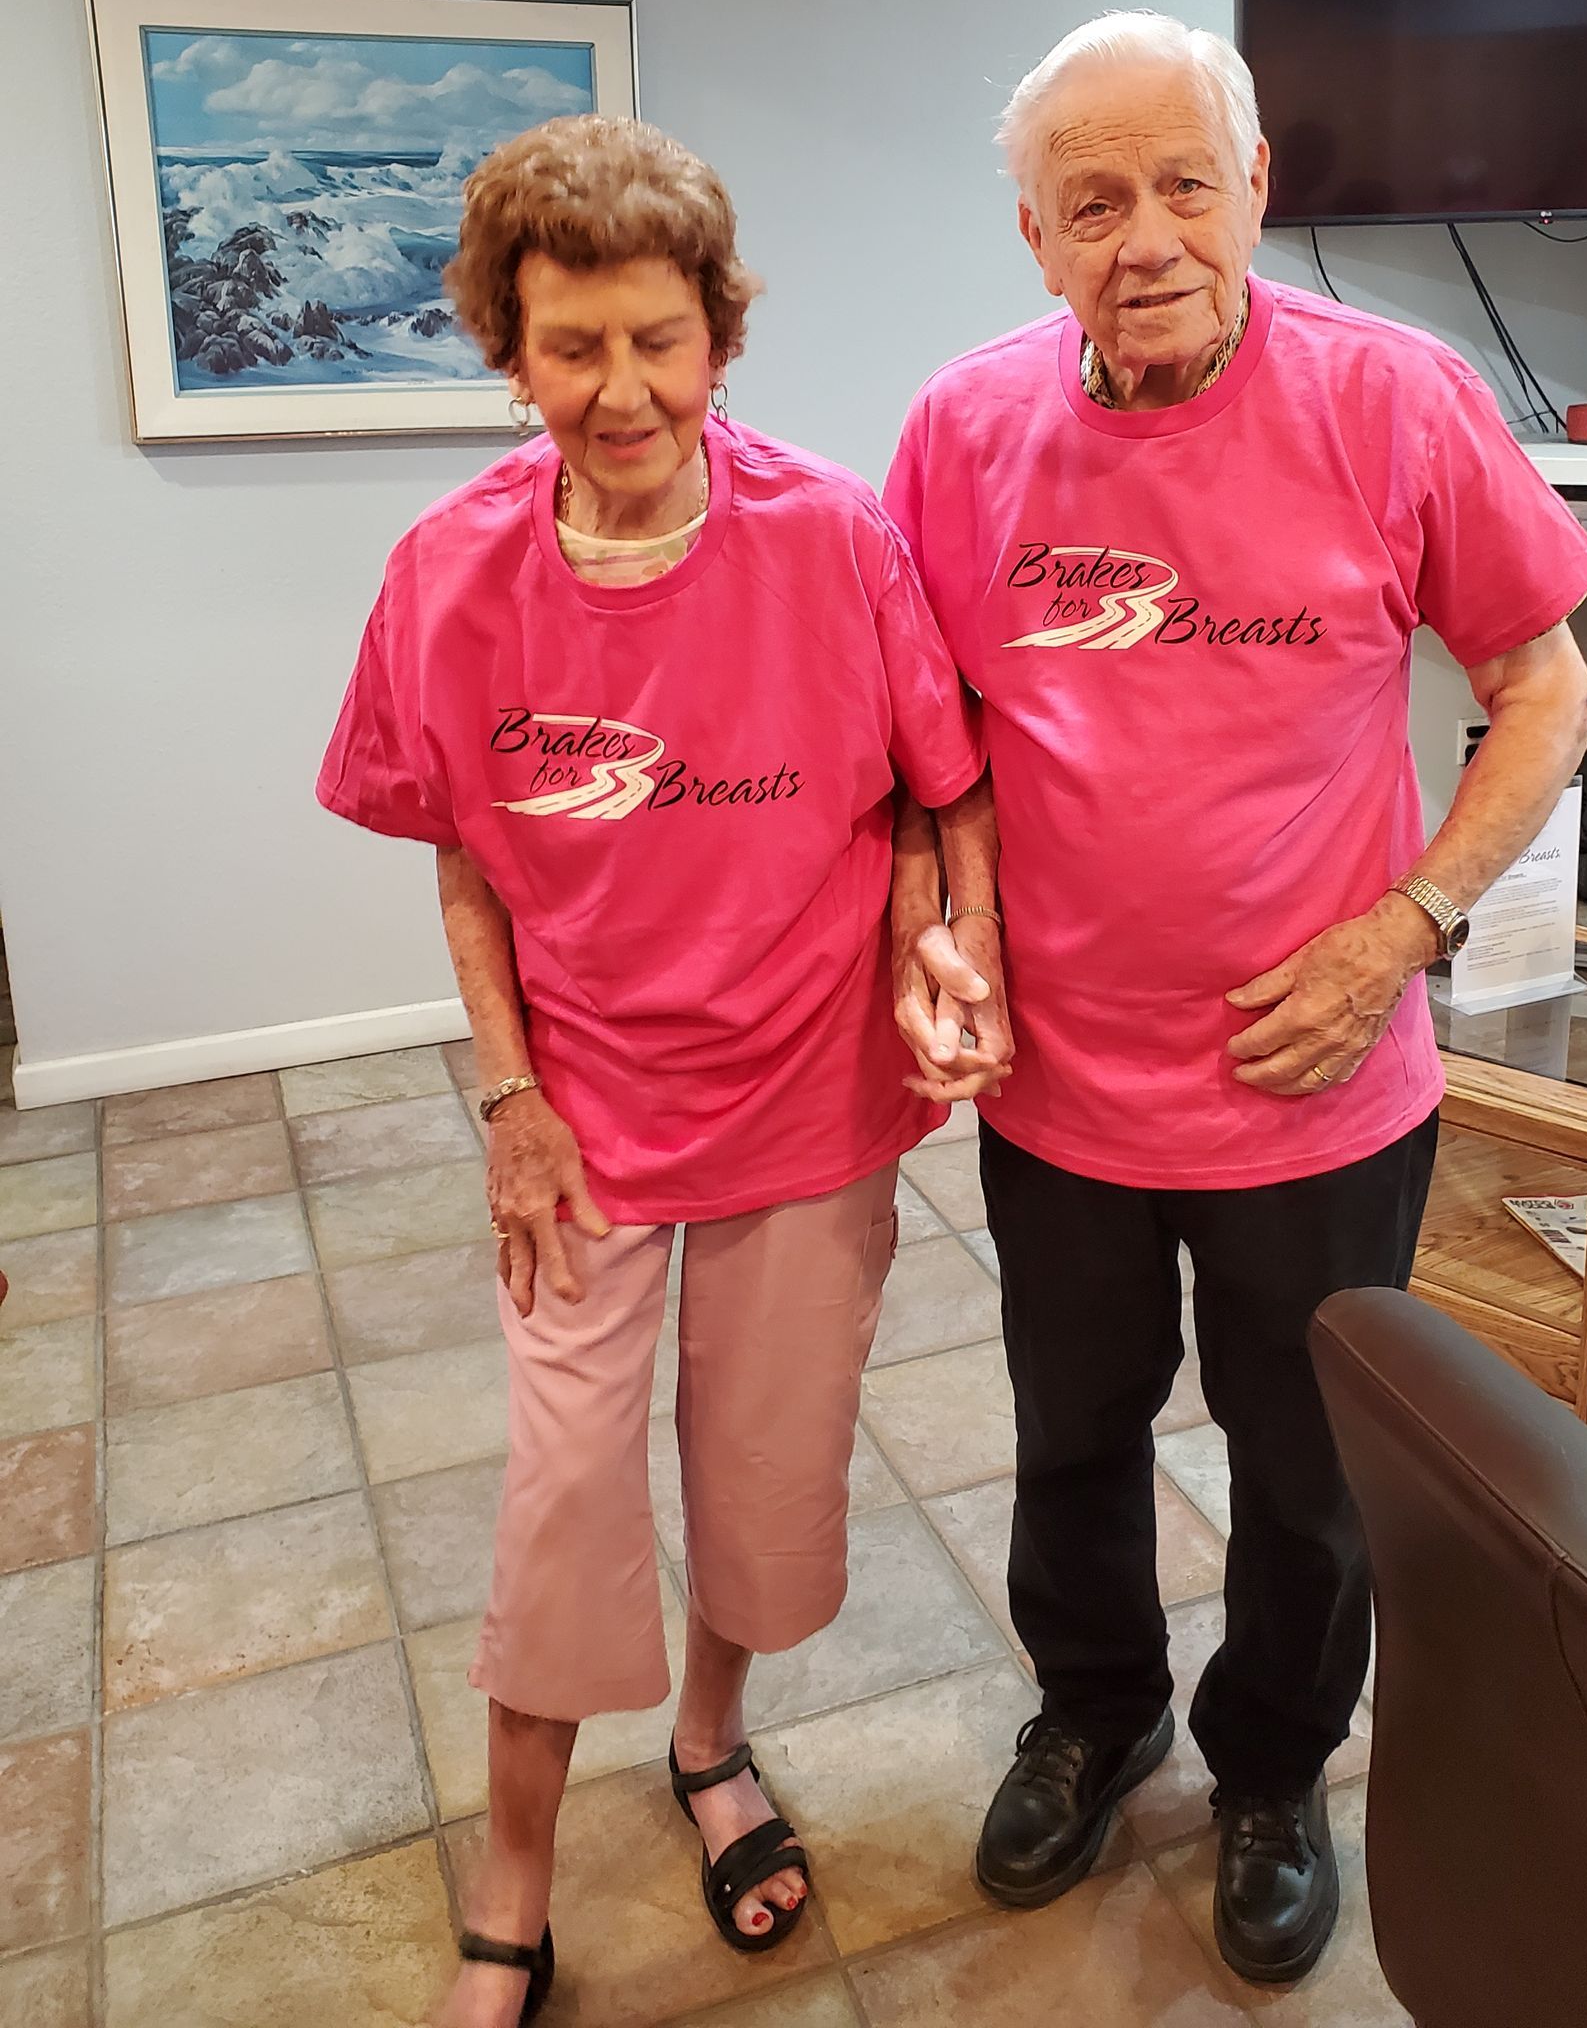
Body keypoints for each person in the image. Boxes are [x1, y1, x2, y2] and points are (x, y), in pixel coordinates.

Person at [884, 12, 1587, 1986]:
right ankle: (1099, 1705)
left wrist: (1412, 926)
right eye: (1094, 199)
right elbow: (925, 741)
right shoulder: (960, 431)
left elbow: (1548, 688)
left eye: (1187, 183)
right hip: (1061, 1093)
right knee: (1071, 1435)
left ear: (1257, 188)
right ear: (1033, 233)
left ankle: (1273, 1766)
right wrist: (936, 925)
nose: (1148, 235)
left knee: (1305, 1466)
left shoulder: (1398, 399)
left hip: (1323, 1086)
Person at [317, 116, 992, 2027]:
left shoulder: (835, 538)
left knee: (764, 1477)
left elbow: (939, 795)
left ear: (720, 338)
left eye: (660, 342)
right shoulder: (449, 578)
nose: (624, 392)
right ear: (507, 355)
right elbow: (464, 851)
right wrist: (509, 1101)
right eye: (573, 348)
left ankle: (711, 1748)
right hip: (589, 1116)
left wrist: (938, 946)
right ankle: (515, 1872)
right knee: (563, 1503)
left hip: (808, 1105)